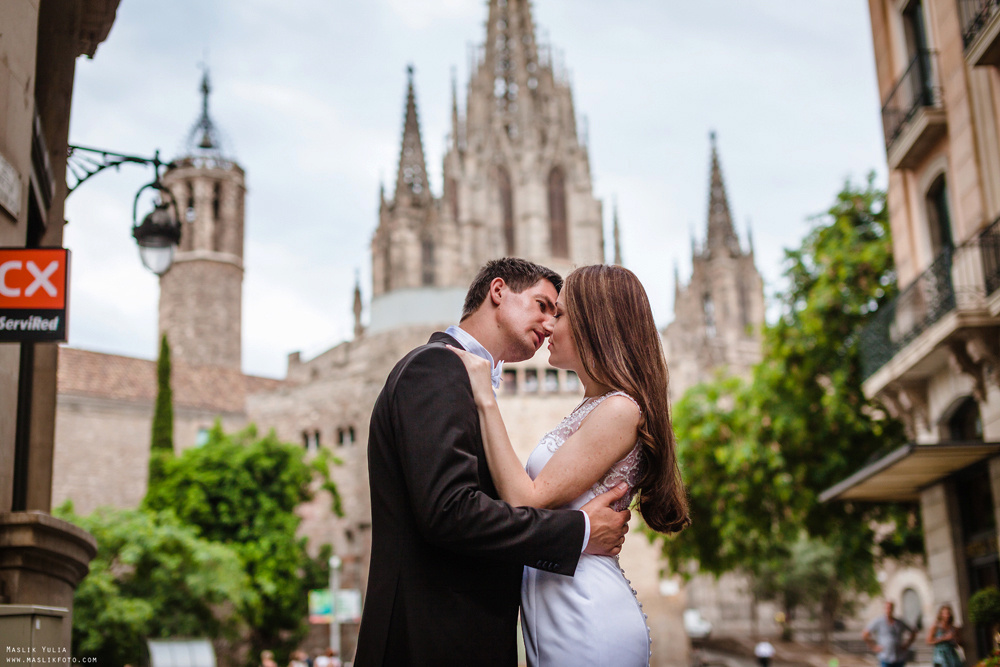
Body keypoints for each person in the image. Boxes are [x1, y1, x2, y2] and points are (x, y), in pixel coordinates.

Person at [353, 258, 633, 667]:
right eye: (542, 305)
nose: (550, 324)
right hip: (429, 641)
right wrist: (578, 532)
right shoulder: (435, 367)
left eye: (557, 314)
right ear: (498, 291)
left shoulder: (460, 376)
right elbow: (450, 511)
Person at [449, 264, 690, 666]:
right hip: (558, 608)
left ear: (593, 324)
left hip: (586, 613)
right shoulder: (595, 407)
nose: (547, 325)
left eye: (558, 314)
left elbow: (527, 498)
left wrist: (484, 397)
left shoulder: (619, 409)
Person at [863, 601, 917, 667]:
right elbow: (865, 634)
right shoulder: (879, 621)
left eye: (890, 608)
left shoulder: (899, 622)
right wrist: (874, 647)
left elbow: (913, 631)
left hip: (899, 657)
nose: (889, 610)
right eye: (887, 608)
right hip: (885, 657)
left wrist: (907, 644)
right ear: (884, 609)